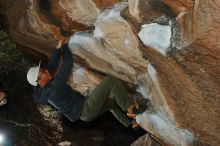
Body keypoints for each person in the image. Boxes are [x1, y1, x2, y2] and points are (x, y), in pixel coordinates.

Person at [27, 38, 147, 128]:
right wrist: (65, 47)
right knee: (110, 81)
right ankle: (131, 108)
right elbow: (68, 63)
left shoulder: (42, 89)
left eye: (42, 69)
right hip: (85, 109)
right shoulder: (54, 87)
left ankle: (130, 124)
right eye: (42, 72)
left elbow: (51, 66)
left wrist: (58, 49)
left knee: (111, 104)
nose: (46, 71)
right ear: (39, 81)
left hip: (84, 115)